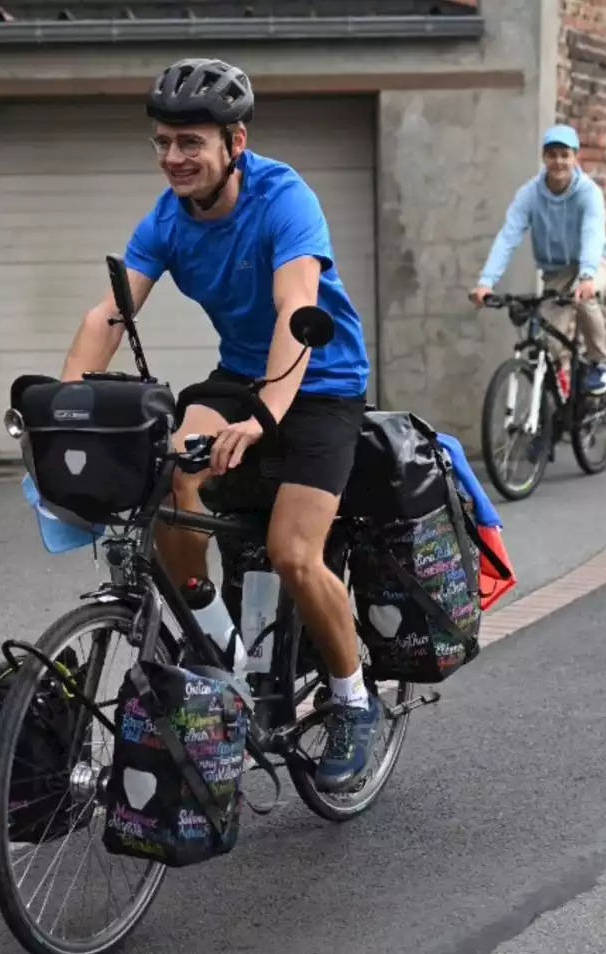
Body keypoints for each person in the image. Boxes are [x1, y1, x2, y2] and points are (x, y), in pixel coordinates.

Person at [59, 58, 380, 793]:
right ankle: (221, 640)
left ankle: (352, 698)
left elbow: (299, 311)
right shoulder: (167, 218)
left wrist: (267, 415)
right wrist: (66, 407)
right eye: (164, 142)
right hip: (240, 373)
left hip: (321, 381)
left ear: (234, 141)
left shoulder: (283, 197)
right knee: (169, 472)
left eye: (190, 143)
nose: (173, 157)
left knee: (294, 553)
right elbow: (111, 312)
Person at [471, 124, 606, 395]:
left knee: (585, 299)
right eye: (552, 154)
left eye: (565, 154)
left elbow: (592, 234)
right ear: (543, 158)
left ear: (576, 158)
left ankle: (600, 363)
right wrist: (486, 282)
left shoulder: (588, 193)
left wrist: (586, 275)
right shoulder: (530, 194)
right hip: (557, 271)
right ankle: (556, 413)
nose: (558, 161)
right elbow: (508, 236)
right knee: (547, 346)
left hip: (597, 260)